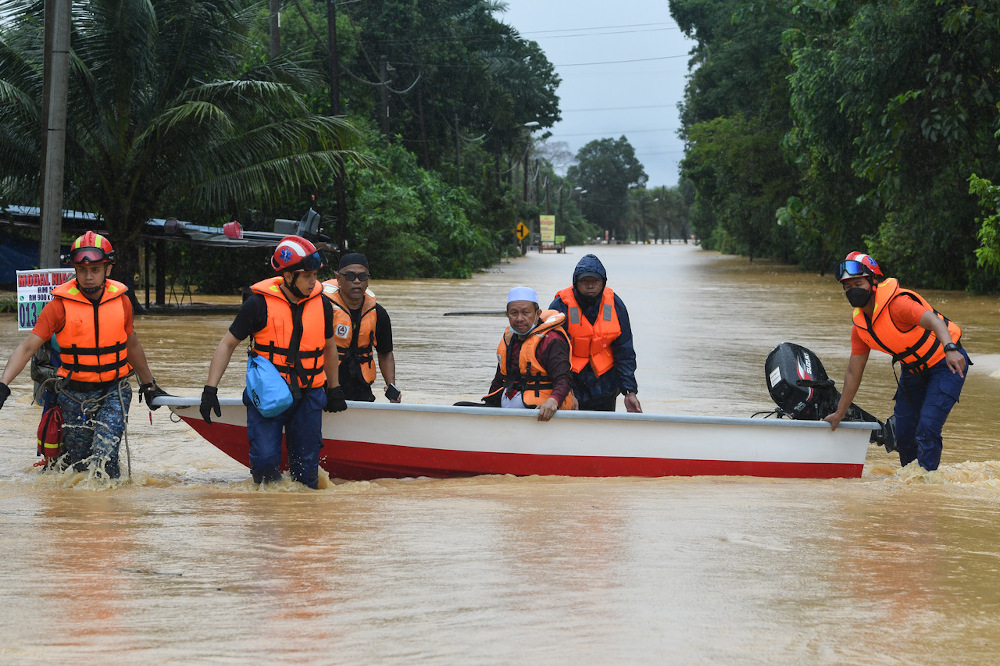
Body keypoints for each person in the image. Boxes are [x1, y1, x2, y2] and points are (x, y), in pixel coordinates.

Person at [0, 231, 166, 478]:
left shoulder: (122, 302)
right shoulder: (58, 306)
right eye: (82, 270)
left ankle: (111, 510)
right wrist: (3, 385)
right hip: (73, 394)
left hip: (115, 390)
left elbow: (132, 345)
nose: (88, 277)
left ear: (108, 269)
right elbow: (27, 348)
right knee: (80, 466)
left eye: (96, 270)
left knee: (104, 456)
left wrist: (149, 384)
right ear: (75, 270)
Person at [199, 235, 347, 489]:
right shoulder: (257, 304)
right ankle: (267, 518)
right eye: (307, 275)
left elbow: (329, 347)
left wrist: (333, 389)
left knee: (306, 471)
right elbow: (227, 344)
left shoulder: (322, 304)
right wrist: (210, 390)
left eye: (315, 274)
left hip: (309, 393)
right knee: (266, 463)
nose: (314, 281)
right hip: (268, 393)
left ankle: (302, 522)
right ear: (288, 276)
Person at [824, 252, 971, 471]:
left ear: (874, 281)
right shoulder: (860, 328)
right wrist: (840, 412)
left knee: (927, 428)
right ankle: (910, 483)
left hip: (947, 364)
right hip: (913, 371)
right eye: (847, 286)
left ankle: (925, 483)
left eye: (858, 283)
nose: (852, 290)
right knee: (902, 434)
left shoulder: (898, 305)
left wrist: (950, 348)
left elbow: (934, 321)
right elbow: (854, 373)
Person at [549, 254, 641, 412]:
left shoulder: (615, 304)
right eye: (585, 281)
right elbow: (553, 354)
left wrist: (629, 392)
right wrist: (564, 392)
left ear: (603, 283)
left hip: (605, 386)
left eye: (595, 282)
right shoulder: (560, 305)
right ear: (576, 283)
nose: (590, 286)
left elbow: (625, 351)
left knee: (603, 432)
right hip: (572, 382)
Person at [484, 286, 575, 422]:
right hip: (509, 408)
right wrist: (487, 407)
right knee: (460, 406)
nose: (519, 319)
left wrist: (553, 401)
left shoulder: (552, 340)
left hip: (541, 412)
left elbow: (563, 379)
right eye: (514, 313)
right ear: (507, 314)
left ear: (537, 314)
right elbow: (499, 380)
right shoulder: (509, 339)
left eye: (526, 313)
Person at [321, 253, 401, 403]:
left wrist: (391, 386)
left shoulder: (379, 313)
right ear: (338, 279)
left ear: (367, 280)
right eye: (350, 276)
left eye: (362, 276)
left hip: (360, 385)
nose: (357, 281)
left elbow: (385, 353)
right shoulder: (322, 308)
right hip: (324, 385)